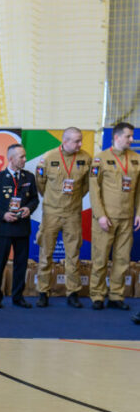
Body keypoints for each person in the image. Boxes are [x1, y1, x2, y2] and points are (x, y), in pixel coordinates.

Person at [34, 127, 91, 308]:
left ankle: (72, 292)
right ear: (65, 141)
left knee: (73, 255)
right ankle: (43, 291)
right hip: (51, 213)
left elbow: (86, 187)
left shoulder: (86, 159)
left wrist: (72, 200)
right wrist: (54, 200)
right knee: (46, 254)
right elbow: (40, 184)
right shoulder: (48, 158)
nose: (80, 144)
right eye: (76, 141)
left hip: (73, 214)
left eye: (81, 140)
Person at [89, 121, 140, 310]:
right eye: (128, 136)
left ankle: (116, 295)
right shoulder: (100, 159)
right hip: (106, 219)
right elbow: (94, 191)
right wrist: (101, 215)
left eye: (132, 136)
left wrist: (139, 213)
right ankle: (97, 295)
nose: (131, 139)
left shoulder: (136, 158)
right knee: (101, 257)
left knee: (122, 259)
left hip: (127, 218)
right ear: (117, 137)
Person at [0, 143, 39, 308]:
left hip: (22, 228)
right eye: (21, 157)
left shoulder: (29, 177)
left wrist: (28, 208)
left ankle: (18, 297)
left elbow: (35, 199)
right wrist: (3, 215)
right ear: (11, 159)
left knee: (21, 264)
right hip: (4, 228)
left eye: (24, 156)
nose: (25, 159)